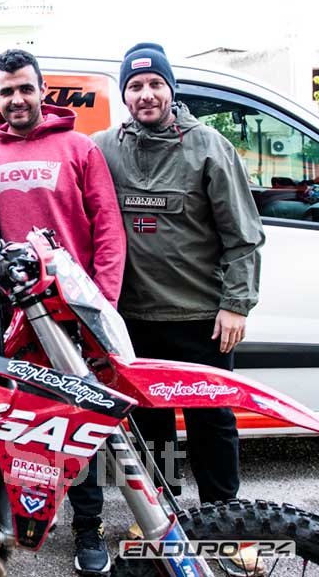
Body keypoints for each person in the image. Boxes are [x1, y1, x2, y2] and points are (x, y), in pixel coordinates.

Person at [93, 43, 264, 529]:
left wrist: (236, 305)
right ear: (124, 95)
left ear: (171, 88)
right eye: (135, 86)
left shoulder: (209, 147)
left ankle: (224, 521)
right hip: (133, 320)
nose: (146, 94)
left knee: (212, 422)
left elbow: (244, 236)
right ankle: (160, 520)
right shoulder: (104, 148)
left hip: (201, 319)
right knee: (150, 426)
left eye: (155, 84)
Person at [0, 49, 125, 576]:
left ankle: (89, 527)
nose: (17, 99)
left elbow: (108, 230)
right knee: (12, 424)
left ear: (43, 91)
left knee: (80, 422)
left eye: (25, 88)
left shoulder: (80, 148)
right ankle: (4, 526)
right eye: (7, 91)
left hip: (69, 317)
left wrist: (102, 306)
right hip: (8, 320)